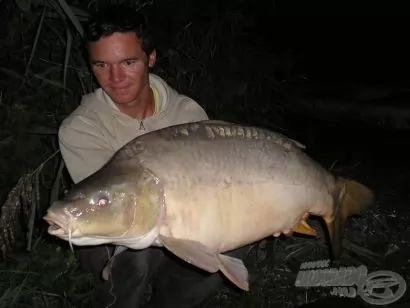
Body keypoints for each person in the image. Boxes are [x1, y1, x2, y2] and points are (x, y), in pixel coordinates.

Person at [57, 4, 252, 308]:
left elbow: (214, 189)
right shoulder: (80, 129)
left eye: (128, 62)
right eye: (101, 65)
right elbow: (112, 205)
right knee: (134, 256)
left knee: (234, 238)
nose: (115, 77)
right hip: (120, 226)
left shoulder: (187, 114)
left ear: (151, 58)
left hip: (184, 216)